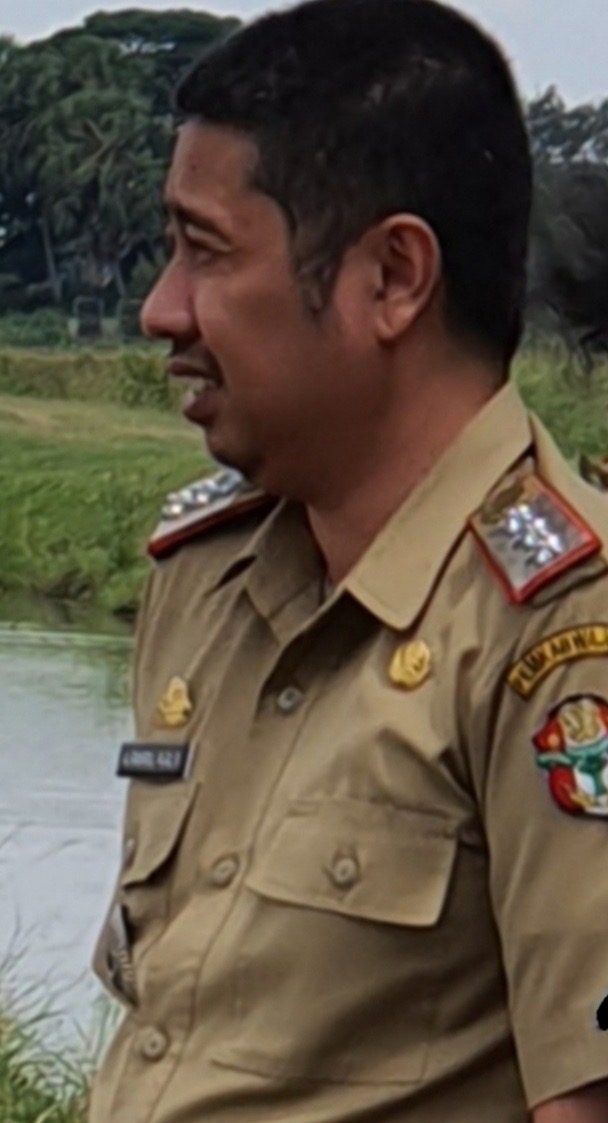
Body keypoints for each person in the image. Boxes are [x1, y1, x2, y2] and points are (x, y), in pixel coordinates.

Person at [89, 1, 608, 1120]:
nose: (160, 311)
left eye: (206, 251)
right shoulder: (207, 577)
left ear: (392, 278)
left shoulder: (564, 627)